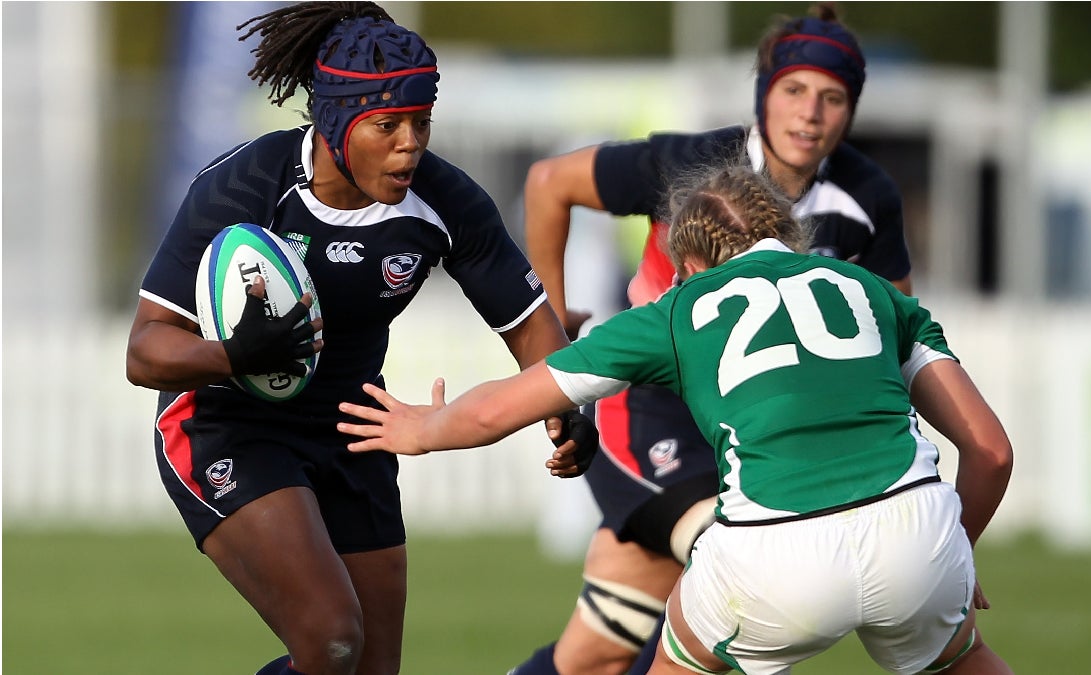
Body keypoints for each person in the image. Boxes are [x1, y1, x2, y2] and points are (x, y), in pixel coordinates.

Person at [337, 163, 1013, 674]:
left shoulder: (677, 310)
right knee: (961, 659)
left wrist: (419, 429)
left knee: (677, 648)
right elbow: (990, 451)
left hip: (774, 556)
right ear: (789, 233)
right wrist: (958, 549)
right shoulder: (873, 291)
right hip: (915, 533)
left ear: (686, 264)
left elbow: (499, 409)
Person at [124, 3, 596, 675]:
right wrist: (235, 355)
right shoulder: (245, 187)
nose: (411, 143)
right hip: (228, 423)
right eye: (388, 125)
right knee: (331, 639)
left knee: (371, 667)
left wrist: (566, 404)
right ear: (336, 122)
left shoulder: (444, 202)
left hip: (353, 429)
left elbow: (529, 324)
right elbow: (145, 350)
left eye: (421, 122)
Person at [515, 4, 912, 674]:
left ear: (850, 111)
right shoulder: (691, 162)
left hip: (755, 435)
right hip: (648, 417)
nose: (810, 112)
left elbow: (895, 336)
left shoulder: (866, 197)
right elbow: (547, 183)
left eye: (832, 97)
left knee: (596, 652)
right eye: (794, 89)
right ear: (764, 92)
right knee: (737, 588)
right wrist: (550, 324)